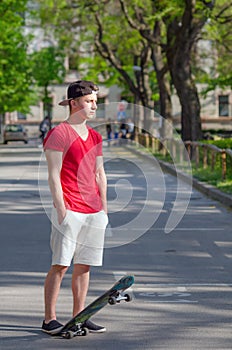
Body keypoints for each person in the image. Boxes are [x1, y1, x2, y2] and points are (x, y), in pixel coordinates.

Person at [41, 80, 108, 335]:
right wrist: (61, 210)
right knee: (61, 264)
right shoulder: (59, 134)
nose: (94, 106)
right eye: (89, 101)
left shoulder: (96, 136)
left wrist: (104, 210)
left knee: (85, 265)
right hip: (70, 210)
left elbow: (100, 173)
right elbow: (53, 175)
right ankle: (49, 319)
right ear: (73, 103)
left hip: (94, 211)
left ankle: (80, 316)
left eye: (95, 101)